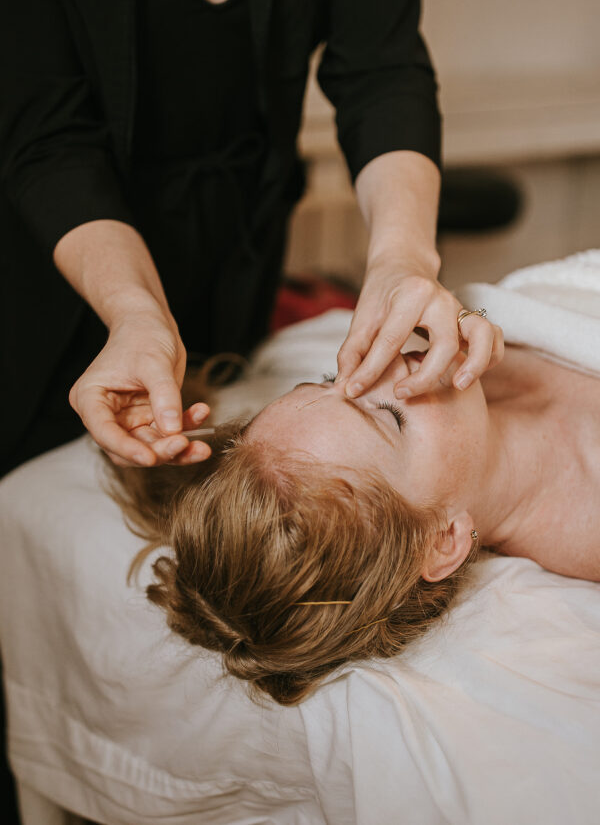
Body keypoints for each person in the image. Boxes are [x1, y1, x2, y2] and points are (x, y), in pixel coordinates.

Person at [0, 0, 502, 478]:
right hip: (65, 260)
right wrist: (133, 310)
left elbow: (383, 74)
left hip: (236, 255)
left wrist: (403, 258)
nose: (389, 380)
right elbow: (50, 141)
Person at [107, 298, 600, 707]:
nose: (374, 368)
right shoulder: (586, 520)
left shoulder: (465, 368)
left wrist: (468, 310)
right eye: (389, 417)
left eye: (328, 379)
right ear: (442, 539)